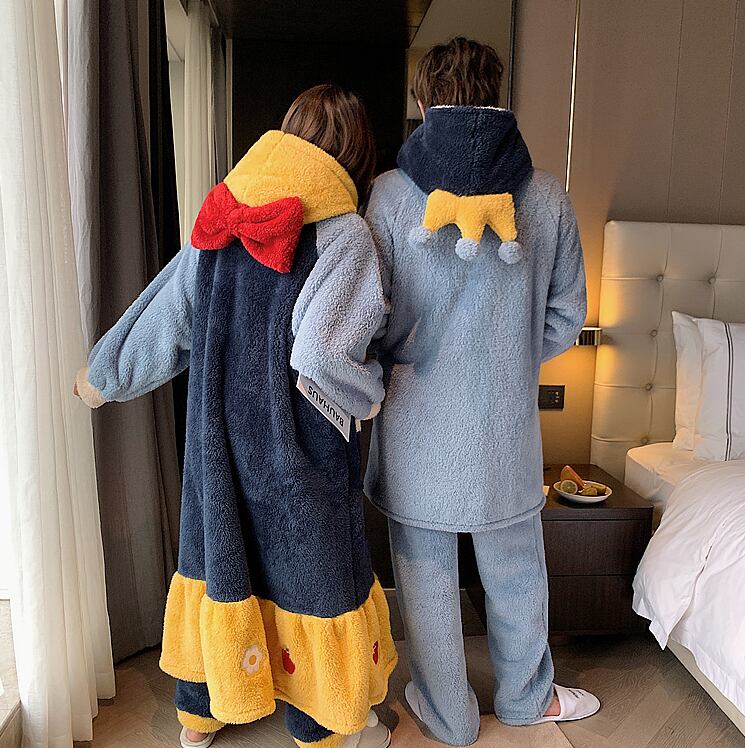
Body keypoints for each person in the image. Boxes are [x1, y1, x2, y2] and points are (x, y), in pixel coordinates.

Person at [74, 84, 396, 748]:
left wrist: (102, 376)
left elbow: (166, 315)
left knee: (219, 559)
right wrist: (369, 392)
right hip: (298, 446)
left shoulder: (220, 215)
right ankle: (322, 724)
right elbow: (323, 353)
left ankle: (200, 716)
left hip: (217, 441)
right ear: (356, 156)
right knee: (314, 573)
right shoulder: (344, 235)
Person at [362, 37, 600, 745]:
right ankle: (527, 700)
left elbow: (369, 315)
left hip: (416, 427)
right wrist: (507, 360)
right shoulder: (545, 195)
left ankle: (449, 715)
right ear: (497, 93)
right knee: (517, 570)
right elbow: (565, 316)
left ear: (423, 98)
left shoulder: (390, 195)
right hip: (504, 430)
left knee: (424, 576)